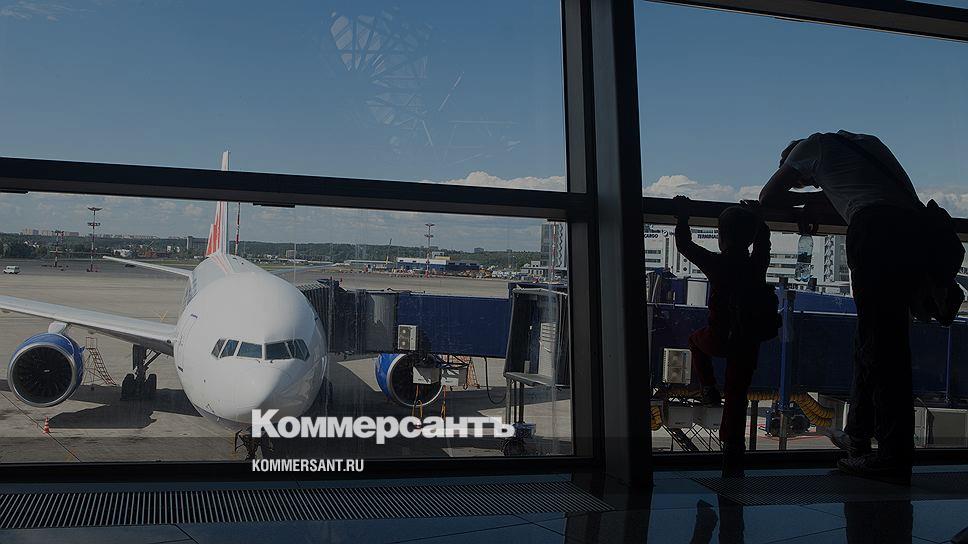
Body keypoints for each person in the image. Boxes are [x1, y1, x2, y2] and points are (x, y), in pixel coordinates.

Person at [758, 130, 924, 483]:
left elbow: (768, 196)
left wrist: (794, 200)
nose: (809, 184)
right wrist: (814, 201)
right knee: (877, 341)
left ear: (793, 161)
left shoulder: (809, 148)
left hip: (875, 232)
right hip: (911, 234)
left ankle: (892, 456)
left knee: (881, 347)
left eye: (804, 180)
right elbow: (845, 194)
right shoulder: (864, 146)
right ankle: (859, 437)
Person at [673, 196, 771, 476]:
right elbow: (764, 243)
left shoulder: (717, 263)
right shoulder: (756, 265)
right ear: (750, 238)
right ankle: (732, 447)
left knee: (694, 340)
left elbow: (684, 245)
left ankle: (708, 388)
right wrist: (760, 219)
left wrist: (683, 217)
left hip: (719, 337)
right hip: (747, 341)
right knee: (738, 395)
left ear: (721, 237)